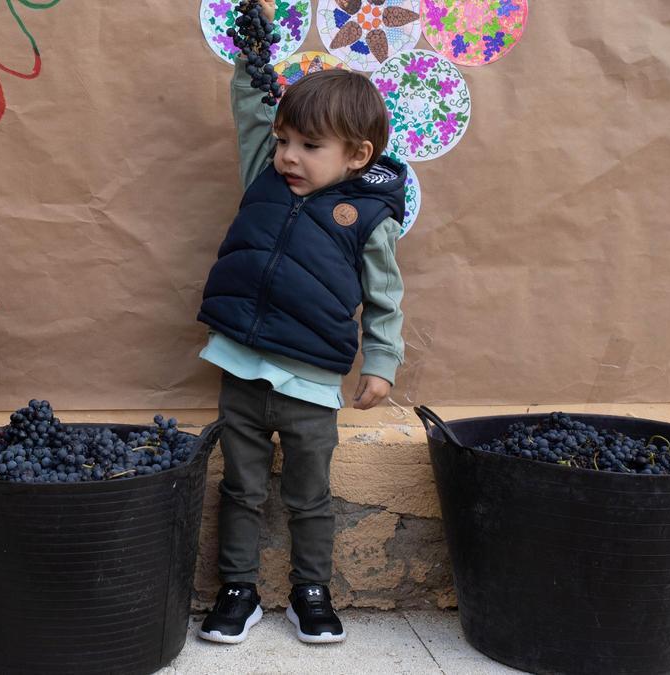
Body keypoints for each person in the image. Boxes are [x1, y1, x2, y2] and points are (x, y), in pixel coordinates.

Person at [195, 0, 406, 645]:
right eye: (285, 140)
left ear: (356, 155)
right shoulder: (264, 171)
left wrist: (382, 363)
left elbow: (385, 298)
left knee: (310, 496)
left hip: (312, 383)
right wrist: (253, 46)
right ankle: (238, 589)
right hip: (242, 365)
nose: (289, 156)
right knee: (241, 488)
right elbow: (250, 101)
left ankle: (311, 591)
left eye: (309, 147)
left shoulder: (367, 218)